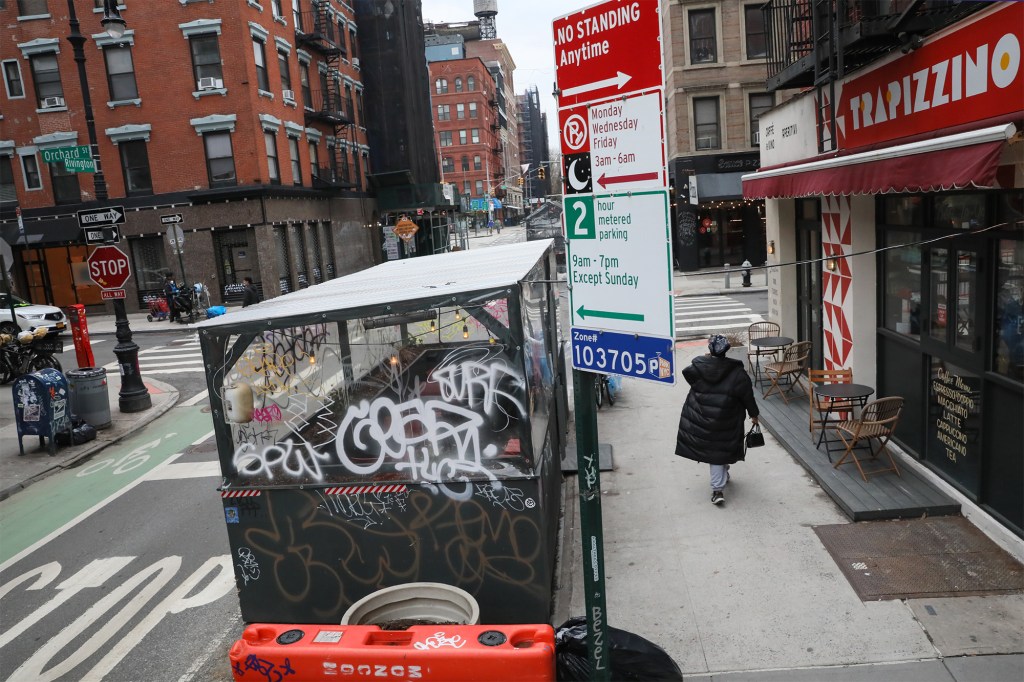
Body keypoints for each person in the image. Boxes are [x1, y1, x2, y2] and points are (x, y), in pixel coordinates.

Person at [675, 334, 760, 505]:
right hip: (728, 419)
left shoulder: (698, 368)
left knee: (716, 452)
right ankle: (717, 490)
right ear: (726, 351)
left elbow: (687, 373)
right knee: (718, 454)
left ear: (710, 350)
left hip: (703, 418)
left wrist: (706, 362)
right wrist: (754, 415)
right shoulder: (737, 373)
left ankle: (721, 478)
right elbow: (747, 396)